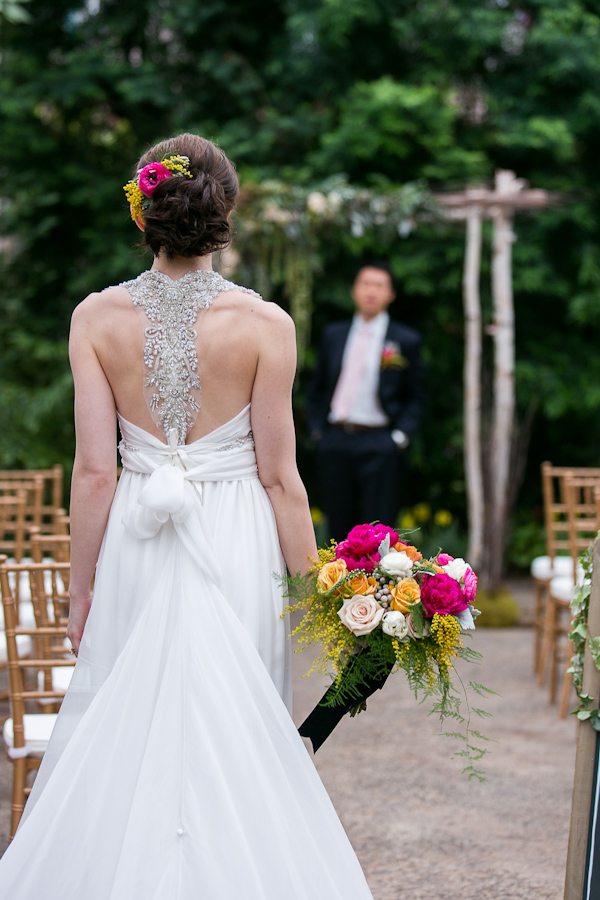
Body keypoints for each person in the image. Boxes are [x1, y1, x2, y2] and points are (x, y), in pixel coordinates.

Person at [0, 134, 374, 899]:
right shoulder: (267, 324)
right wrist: (325, 599)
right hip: (235, 536)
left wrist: (78, 593)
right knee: (235, 726)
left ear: (144, 214)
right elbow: (279, 480)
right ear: (226, 213)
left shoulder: (95, 318)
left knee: (131, 724)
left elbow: (97, 471)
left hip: (139, 534)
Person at [308, 263, 425, 540]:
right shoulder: (333, 334)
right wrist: (318, 431)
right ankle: (337, 583)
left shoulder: (405, 340)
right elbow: (318, 386)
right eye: (365, 284)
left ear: (391, 294)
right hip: (335, 439)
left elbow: (416, 395)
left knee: (380, 529)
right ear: (354, 290)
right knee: (337, 525)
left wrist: (399, 438)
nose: (371, 291)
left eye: (379, 285)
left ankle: (378, 584)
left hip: (380, 442)